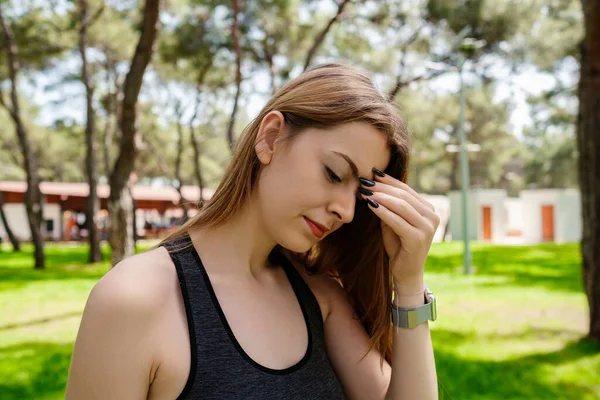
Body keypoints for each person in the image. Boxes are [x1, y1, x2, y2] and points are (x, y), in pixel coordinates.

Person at [65, 63, 440, 399]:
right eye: (333, 174)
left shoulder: (320, 298)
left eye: (360, 196)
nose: (345, 211)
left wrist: (409, 285)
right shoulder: (135, 300)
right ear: (271, 137)